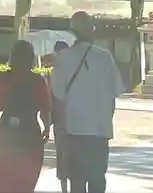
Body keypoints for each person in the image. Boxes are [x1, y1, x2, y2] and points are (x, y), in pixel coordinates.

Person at [50, 12, 127, 193]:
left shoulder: (63, 58)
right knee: (97, 179)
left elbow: (58, 95)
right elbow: (115, 92)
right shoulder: (105, 57)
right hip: (99, 131)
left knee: (76, 180)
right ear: (91, 30)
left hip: (74, 130)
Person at [0, 40, 52, 193]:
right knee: (26, 180)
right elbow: (44, 109)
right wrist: (47, 129)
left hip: (7, 132)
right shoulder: (38, 81)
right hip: (30, 132)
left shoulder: (4, 79)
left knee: (3, 179)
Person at [52, 39, 72, 193]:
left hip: (62, 120)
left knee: (64, 156)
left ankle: (66, 188)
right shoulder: (76, 70)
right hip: (70, 120)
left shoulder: (56, 72)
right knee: (66, 156)